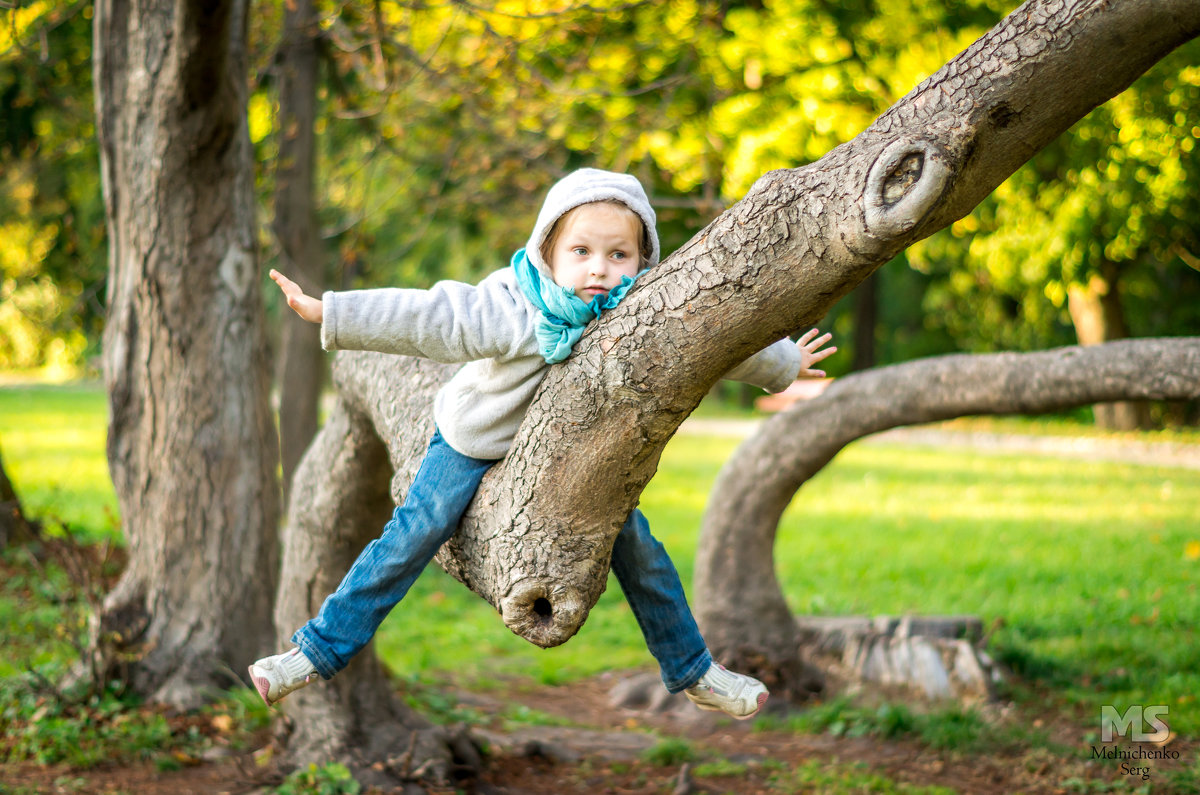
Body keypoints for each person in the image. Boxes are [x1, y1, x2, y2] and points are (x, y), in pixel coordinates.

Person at [250, 168, 835, 719]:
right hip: (474, 442)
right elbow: (430, 314)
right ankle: (314, 653)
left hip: (565, 461)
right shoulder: (513, 303)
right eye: (581, 251)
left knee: (642, 551)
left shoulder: (638, 311)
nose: (599, 268)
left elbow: (714, 333)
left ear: (642, 261)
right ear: (548, 251)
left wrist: (785, 362)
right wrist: (331, 311)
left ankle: (693, 671)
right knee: (415, 531)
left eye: (618, 254)